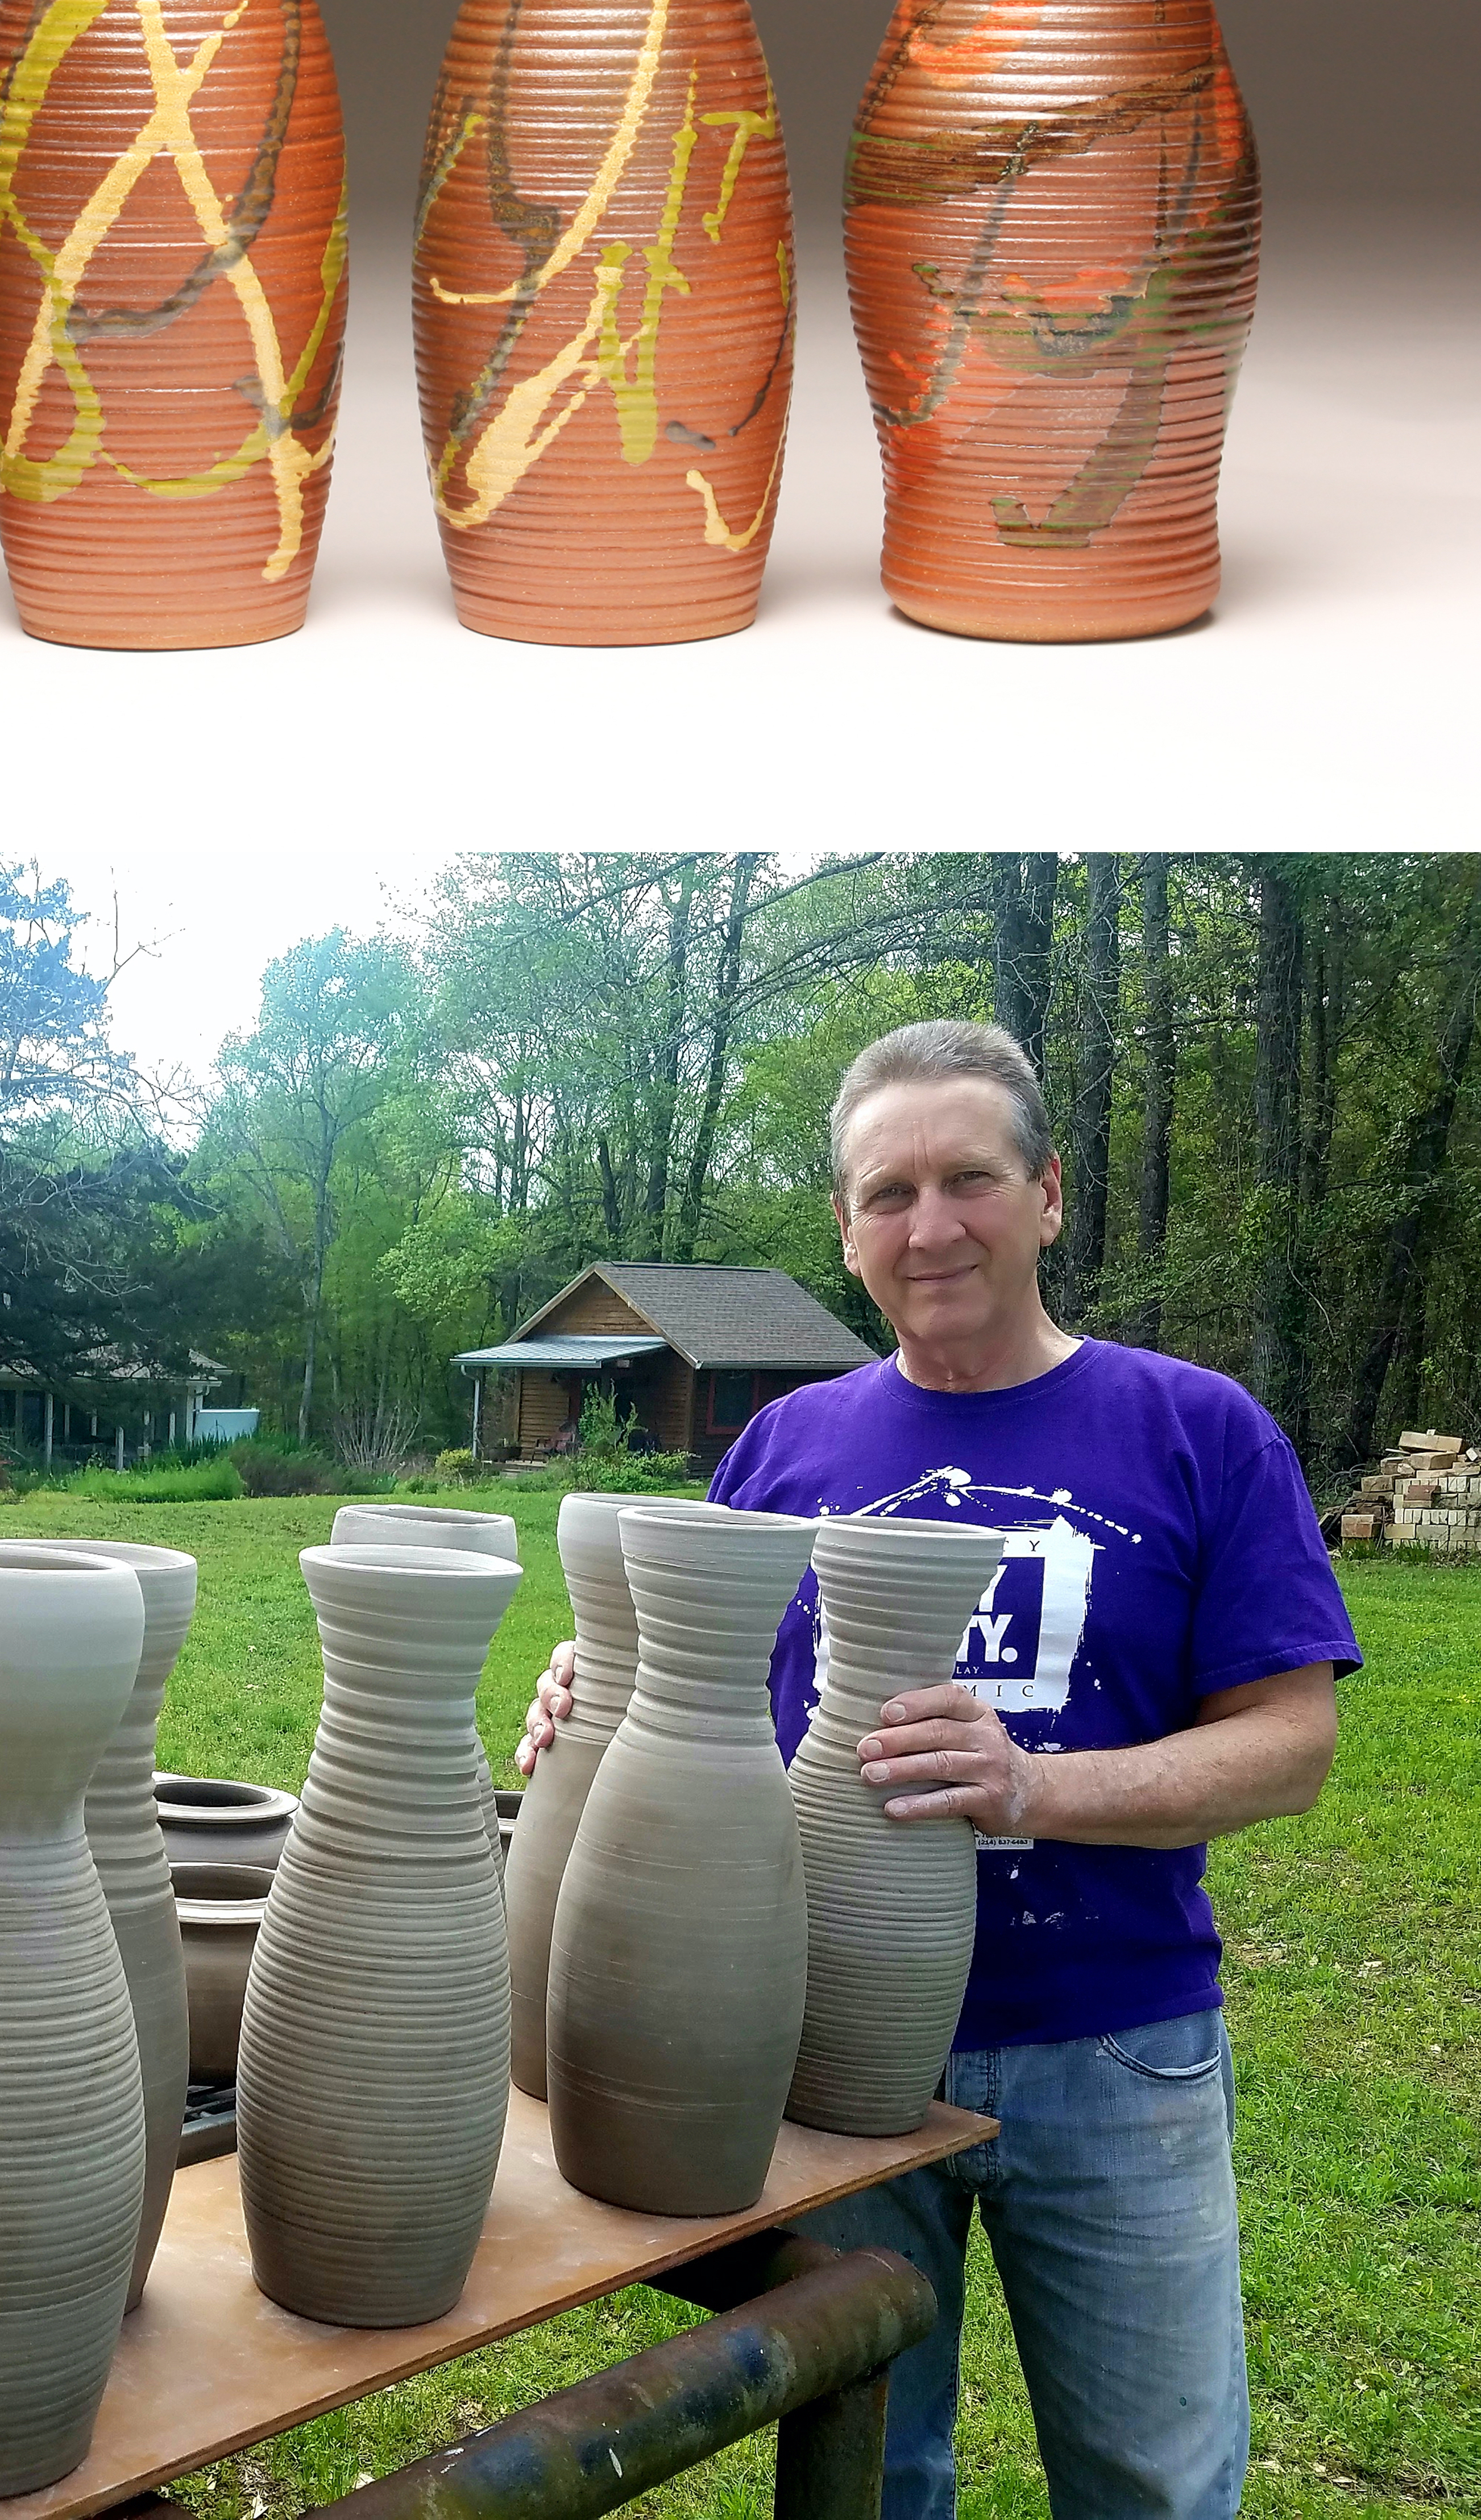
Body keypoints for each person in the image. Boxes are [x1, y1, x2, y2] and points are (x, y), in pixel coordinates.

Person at [517, 1018, 1359, 2520]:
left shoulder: (1194, 1431)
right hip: (826, 2041)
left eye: (966, 1178)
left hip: (1109, 2050)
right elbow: (692, 1684)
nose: (931, 1225)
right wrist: (596, 1689)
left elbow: (1289, 1746)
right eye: (886, 1194)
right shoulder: (783, 1444)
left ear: (1043, 1195)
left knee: (1150, 2482)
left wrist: (1035, 1788)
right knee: (865, 2475)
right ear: (844, 1232)